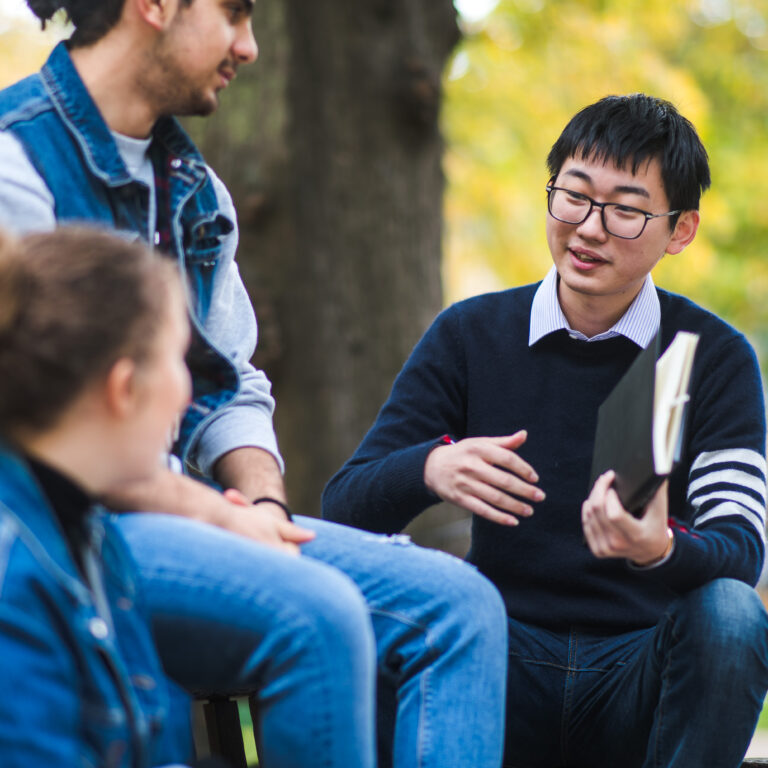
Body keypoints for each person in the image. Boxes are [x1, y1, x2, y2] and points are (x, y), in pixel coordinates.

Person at [0, 2, 509, 766]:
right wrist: (218, 515)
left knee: (460, 606)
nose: (251, 46)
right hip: (68, 518)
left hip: (190, 513)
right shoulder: (16, 160)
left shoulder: (196, 190)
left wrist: (264, 511)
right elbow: (41, 424)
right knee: (319, 614)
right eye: (236, 14)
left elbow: (231, 384)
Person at [323, 93, 768, 768]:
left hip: (639, 668)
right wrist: (431, 468)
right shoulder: (471, 334)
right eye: (573, 196)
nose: (588, 228)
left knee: (732, 615)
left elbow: (741, 548)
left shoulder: (713, 354)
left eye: (625, 210)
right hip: (492, 653)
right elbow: (344, 503)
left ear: (680, 230)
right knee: (384, 606)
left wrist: (659, 550)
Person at [0, 227, 197, 766]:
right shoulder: (14, 579)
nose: (189, 391)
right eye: (178, 358)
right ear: (124, 387)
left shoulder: (91, 534)